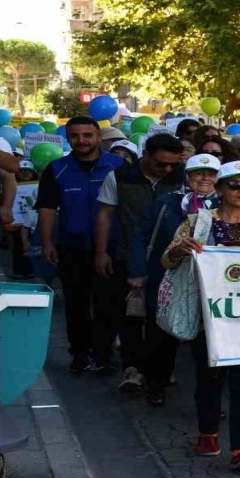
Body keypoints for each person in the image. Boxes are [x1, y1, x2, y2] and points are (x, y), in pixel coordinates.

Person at [162, 161, 240, 470]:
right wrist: (181, 249)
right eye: (235, 184)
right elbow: (167, 259)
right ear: (220, 189)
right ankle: (208, 433)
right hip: (208, 316)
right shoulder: (197, 222)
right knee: (209, 378)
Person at [94, 133, 186, 392]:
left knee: (164, 316)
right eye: (161, 164)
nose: (168, 169)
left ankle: (162, 368)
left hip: (170, 260)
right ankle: (132, 369)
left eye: (173, 164)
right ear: (146, 155)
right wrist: (101, 252)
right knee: (130, 315)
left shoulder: (182, 178)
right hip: (128, 256)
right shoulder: (119, 176)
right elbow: (105, 214)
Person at [35, 115, 126, 374]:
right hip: (71, 247)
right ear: (67, 138)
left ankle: (104, 354)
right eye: (75, 136)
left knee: (108, 303)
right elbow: (47, 208)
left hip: (111, 248)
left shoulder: (118, 166)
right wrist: (46, 243)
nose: (81, 140)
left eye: (87, 135)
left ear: (98, 137)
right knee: (76, 304)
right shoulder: (56, 169)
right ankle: (80, 353)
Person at [130, 153, 221, 406]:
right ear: (187, 176)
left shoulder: (226, 204)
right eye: (198, 173)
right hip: (166, 279)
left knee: (205, 345)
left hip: (209, 286)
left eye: (211, 174)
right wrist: (137, 271)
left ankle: (208, 402)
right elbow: (140, 236)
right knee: (161, 337)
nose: (205, 178)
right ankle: (156, 384)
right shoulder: (167, 203)